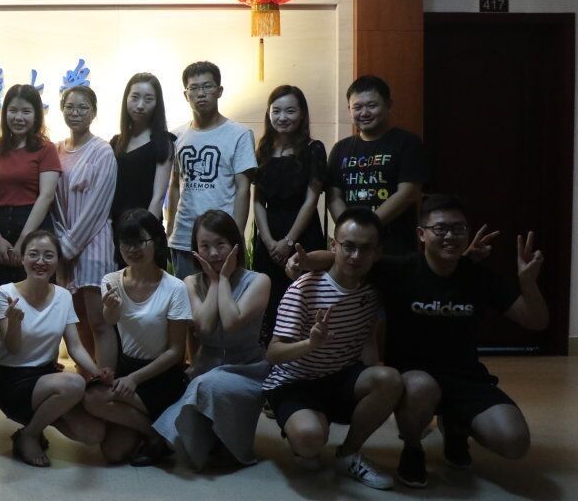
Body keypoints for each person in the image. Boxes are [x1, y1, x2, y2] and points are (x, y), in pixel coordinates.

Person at [293, 195, 547, 487]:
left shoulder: (479, 277)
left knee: (515, 442)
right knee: (420, 387)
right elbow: (347, 257)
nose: (450, 236)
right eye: (440, 229)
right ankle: (413, 447)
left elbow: (536, 321)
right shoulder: (400, 269)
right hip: (414, 379)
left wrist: (528, 282)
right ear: (421, 234)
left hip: (466, 378)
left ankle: (456, 426)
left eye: (458, 229)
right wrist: (304, 261)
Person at [263, 208, 402, 490]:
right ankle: (306, 434)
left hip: (340, 376)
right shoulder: (304, 288)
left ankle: (348, 454)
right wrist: (310, 343)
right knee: (309, 440)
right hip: (294, 382)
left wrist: (375, 394)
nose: (356, 256)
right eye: (348, 246)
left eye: (365, 249)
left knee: (389, 380)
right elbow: (273, 353)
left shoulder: (372, 289)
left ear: (377, 253)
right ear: (333, 245)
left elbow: (367, 340)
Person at [153, 210, 271, 471]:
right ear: (196, 250)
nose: (214, 253)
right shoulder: (191, 282)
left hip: (246, 369)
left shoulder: (259, 281)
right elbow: (204, 328)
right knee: (202, 382)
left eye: (220, 244)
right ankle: (200, 439)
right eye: (205, 246)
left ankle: (163, 441)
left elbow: (231, 321)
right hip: (206, 366)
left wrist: (224, 278)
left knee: (207, 384)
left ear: (235, 244)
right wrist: (215, 282)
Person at [0, 229, 109, 467]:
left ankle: (31, 429)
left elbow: (75, 347)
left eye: (48, 255)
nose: (41, 261)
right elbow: (13, 348)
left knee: (93, 434)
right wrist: (13, 323)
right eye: (33, 254)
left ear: (57, 261)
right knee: (74, 383)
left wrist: (97, 371)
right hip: (12, 383)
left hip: (47, 379)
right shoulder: (5, 293)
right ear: (22, 258)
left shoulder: (63, 296)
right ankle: (30, 435)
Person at [84, 208, 191, 466]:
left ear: (156, 241)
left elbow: (176, 352)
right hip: (127, 368)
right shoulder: (111, 280)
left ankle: (159, 424)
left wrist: (135, 379)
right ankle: (155, 433)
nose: (132, 249)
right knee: (113, 451)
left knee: (100, 404)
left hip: (161, 375)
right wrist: (110, 308)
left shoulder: (175, 288)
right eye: (126, 242)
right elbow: (110, 321)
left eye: (140, 241)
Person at [167, 61, 257, 282]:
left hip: (221, 240)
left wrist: (235, 237)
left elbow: (243, 189)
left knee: (225, 297)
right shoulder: (176, 136)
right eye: (194, 88)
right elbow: (175, 185)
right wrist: (169, 231)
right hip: (184, 238)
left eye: (207, 86)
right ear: (186, 95)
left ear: (219, 91)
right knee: (188, 300)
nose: (201, 93)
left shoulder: (239, 134)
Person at [252, 85, 327, 343]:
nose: (282, 117)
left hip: (302, 234)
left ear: (302, 113)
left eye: (290, 111)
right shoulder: (263, 148)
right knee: (268, 299)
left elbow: (311, 200)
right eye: (276, 111)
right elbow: (258, 200)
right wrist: (268, 241)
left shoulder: (313, 148)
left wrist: (288, 242)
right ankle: (269, 355)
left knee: (300, 297)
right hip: (268, 235)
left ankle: (300, 353)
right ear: (269, 113)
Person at [53, 85, 118, 366]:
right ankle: (87, 378)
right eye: (70, 107)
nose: (75, 113)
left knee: (99, 321)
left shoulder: (103, 151)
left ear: (93, 113)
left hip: (94, 243)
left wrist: (67, 246)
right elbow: (52, 202)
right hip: (63, 246)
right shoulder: (56, 150)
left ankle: (105, 381)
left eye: (83, 108)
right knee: (77, 322)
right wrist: (60, 242)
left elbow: (98, 205)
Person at [327, 75, 426, 255]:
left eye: (372, 106)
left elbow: (408, 192)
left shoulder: (407, 142)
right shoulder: (340, 148)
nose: (364, 113)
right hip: (351, 251)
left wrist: (366, 228)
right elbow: (334, 197)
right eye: (357, 107)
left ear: (388, 105)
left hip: (396, 248)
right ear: (349, 109)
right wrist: (349, 231)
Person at [0, 84, 62, 291]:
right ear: (5, 113)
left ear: (36, 115)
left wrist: (24, 240)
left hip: (35, 229)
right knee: (3, 295)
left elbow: (46, 196)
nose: (18, 117)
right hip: (1, 227)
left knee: (38, 293)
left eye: (26, 111)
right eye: (13, 110)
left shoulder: (46, 149)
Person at [110, 72, 174, 268]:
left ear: (157, 103)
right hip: (117, 231)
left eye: (148, 99)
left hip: (146, 233)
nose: (140, 105)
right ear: (126, 99)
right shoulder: (115, 143)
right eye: (135, 97)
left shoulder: (163, 142)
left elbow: (158, 196)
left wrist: (144, 235)